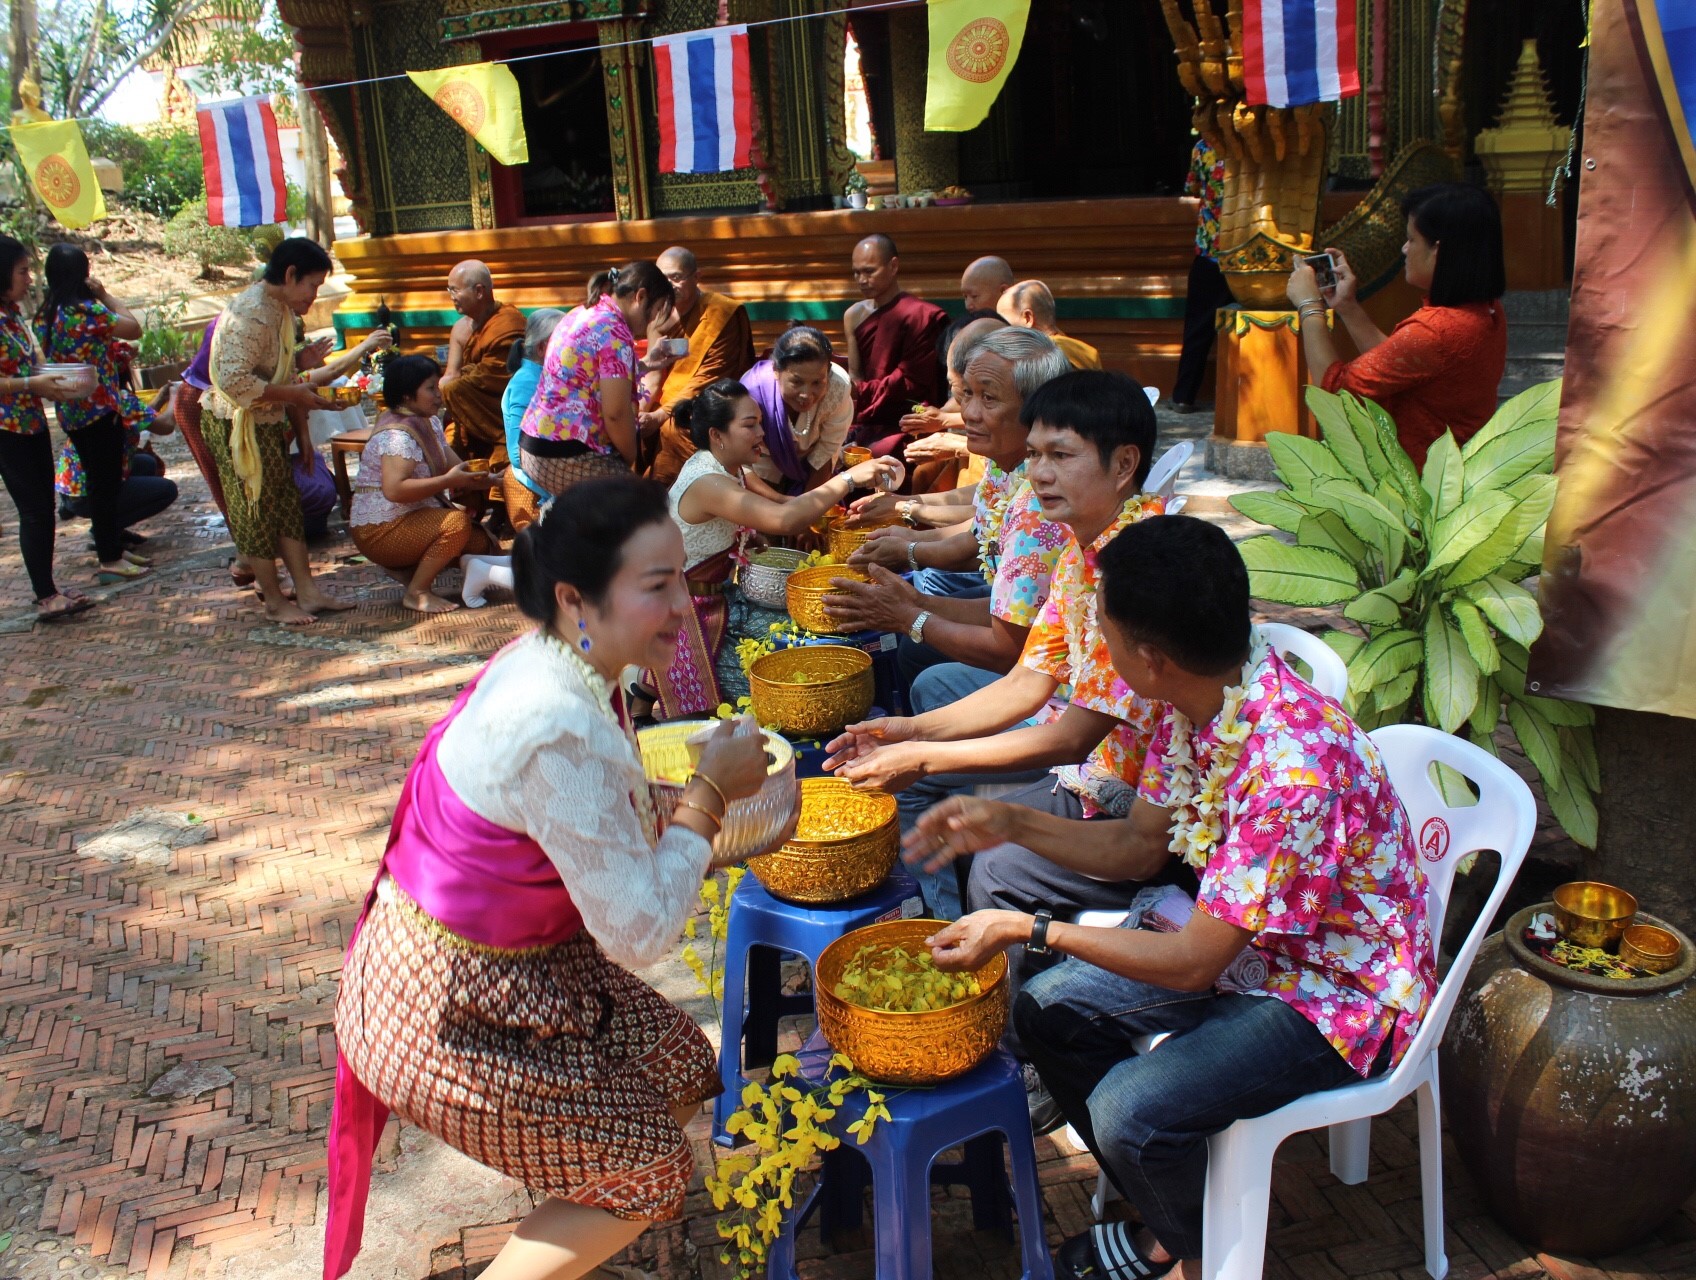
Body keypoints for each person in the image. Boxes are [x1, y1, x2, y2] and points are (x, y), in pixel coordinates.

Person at [909, 515, 1435, 1280]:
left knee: (1130, 1111)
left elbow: (1193, 963)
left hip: (1339, 994)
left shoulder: (1293, 771)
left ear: (1150, 659)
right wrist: (1008, 821)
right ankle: (1177, 1216)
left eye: (1104, 630)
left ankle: (1192, 1250)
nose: (1098, 645)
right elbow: (1135, 846)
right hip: (1251, 946)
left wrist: (1029, 928)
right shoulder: (1200, 700)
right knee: (1046, 1011)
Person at [325, 476, 779, 1280]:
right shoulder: (555, 719)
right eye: (657, 586)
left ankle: (571, 1223)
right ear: (575, 598)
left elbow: (593, 820)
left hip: (524, 969)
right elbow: (640, 932)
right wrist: (709, 796)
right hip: (444, 1006)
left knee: (680, 1066)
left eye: (682, 577)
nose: (684, 605)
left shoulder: (562, 659)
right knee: (650, 1170)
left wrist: (688, 807)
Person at [825, 370, 1168, 952]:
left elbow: (1072, 738)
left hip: (1130, 793)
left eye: (1061, 455)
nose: (1039, 473)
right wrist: (909, 731)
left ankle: (962, 956)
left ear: (1123, 464)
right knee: (918, 755)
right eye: (1034, 454)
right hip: (1090, 765)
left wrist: (924, 755)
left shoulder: (1139, 572)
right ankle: (940, 929)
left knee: (991, 860)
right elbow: (1026, 683)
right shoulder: (1082, 549)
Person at [823, 328, 1073, 692]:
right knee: (916, 641)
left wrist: (911, 612)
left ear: (1037, 410)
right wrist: (909, 559)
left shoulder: (1040, 508)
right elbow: (979, 536)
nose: (968, 413)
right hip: (1020, 624)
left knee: (930, 681)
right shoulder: (1005, 462)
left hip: (1060, 678)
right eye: (966, 394)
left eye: (989, 398)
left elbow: (1008, 648)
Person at [656, 379, 902, 718]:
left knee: (817, 632)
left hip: (723, 598)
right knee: (787, 693)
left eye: (760, 422)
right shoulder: (707, 481)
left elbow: (784, 503)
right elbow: (784, 519)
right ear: (717, 435)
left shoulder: (731, 468)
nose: (762, 433)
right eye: (750, 425)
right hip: (693, 617)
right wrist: (849, 479)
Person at [1288, 181, 1507, 467]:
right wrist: (1347, 306)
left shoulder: (1434, 330)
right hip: (1457, 471)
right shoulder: (1488, 309)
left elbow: (1335, 396)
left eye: (1411, 240)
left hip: (1419, 484)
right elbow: (1399, 363)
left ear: (1437, 251)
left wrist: (1309, 305)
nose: (1404, 249)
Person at [203, 237, 354, 626]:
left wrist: (300, 364)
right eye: (312, 286)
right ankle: (273, 599)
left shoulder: (281, 310)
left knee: (285, 504)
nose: (313, 296)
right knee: (254, 509)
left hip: (267, 419)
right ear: (290, 275)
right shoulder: (251, 314)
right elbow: (234, 381)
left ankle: (307, 591)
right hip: (235, 423)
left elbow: (274, 368)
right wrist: (293, 394)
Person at [181, 312, 392, 588]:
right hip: (220, 407)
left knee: (279, 494)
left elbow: (292, 383)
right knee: (245, 493)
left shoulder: (281, 342)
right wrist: (364, 346)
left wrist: (303, 432)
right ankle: (256, 567)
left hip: (255, 413)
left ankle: (277, 573)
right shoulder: (254, 316)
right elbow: (294, 381)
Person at [34, 243, 153, 584]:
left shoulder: (45, 315)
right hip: (100, 408)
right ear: (83, 275)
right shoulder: (86, 312)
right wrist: (104, 294)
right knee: (106, 485)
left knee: (101, 481)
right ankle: (110, 558)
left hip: (70, 410)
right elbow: (133, 328)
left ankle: (111, 546)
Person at [348, 355, 496, 614]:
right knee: (456, 524)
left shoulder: (428, 421)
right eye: (430, 388)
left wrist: (493, 480)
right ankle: (417, 592)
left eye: (437, 386)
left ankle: (408, 569)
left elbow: (455, 468)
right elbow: (395, 490)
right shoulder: (397, 435)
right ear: (407, 396)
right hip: (380, 530)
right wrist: (449, 481)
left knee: (481, 546)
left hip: (413, 517)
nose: (438, 395)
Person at [519, 260, 675, 493]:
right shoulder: (614, 330)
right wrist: (629, 458)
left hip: (535, 443)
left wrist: (645, 364)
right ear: (640, 297)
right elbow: (616, 414)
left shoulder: (583, 311)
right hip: (564, 454)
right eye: (655, 311)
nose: (651, 323)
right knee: (635, 503)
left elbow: (589, 376)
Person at [0, 234, 90, 620]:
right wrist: (31, 384)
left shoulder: (11, 314)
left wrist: (49, 379)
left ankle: (48, 587)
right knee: (34, 510)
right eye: (22, 272)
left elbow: (25, 363)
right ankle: (45, 596)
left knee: (43, 507)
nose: (29, 279)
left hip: (30, 420)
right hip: (8, 429)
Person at [643, 246, 756, 486]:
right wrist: (643, 412)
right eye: (662, 279)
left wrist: (661, 415)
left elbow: (707, 379)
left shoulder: (720, 314)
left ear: (696, 277)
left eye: (676, 277)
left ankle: (691, 494)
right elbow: (652, 375)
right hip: (665, 400)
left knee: (673, 429)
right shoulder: (658, 316)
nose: (669, 285)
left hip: (708, 402)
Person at [842, 234, 948, 474]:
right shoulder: (854, 315)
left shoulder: (921, 316)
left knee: (882, 453)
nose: (862, 280)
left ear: (893, 266)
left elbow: (913, 382)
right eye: (856, 273)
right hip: (867, 415)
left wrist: (859, 392)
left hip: (906, 419)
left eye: (869, 271)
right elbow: (856, 376)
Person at [740, 325, 854, 493]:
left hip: (812, 474)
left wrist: (807, 504)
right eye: (797, 382)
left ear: (828, 372)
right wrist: (781, 502)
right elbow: (742, 460)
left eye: (817, 383)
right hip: (760, 476)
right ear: (776, 370)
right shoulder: (751, 393)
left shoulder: (838, 387)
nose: (806, 395)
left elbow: (826, 452)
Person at [439, 260, 527, 465]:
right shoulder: (460, 328)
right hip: (471, 411)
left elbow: (496, 377)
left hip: (504, 413)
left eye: (455, 290)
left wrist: (453, 386)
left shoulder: (509, 323)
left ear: (479, 291)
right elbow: (451, 375)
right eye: (449, 290)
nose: (451, 297)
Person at [1170, 135, 1231, 413]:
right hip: (1248, 251)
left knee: (1198, 328)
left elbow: (1193, 187)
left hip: (1211, 251)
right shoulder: (1257, 141)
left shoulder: (1205, 147)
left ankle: (1184, 396)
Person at [996, 280, 1101, 370]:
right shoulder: (1087, 353)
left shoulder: (1035, 361)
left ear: (1027, 318)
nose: (999, 334)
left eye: (1004, 324)